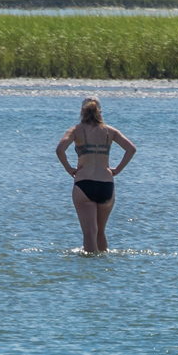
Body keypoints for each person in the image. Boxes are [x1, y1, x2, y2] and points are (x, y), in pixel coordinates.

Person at [55, 97, 136, 253]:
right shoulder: (110, 131)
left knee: (89, 233)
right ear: (99, 111)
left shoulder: (75, 130)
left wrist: (69, 168)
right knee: (100, 232)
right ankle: (102, 268)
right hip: (106, 184)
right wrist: (117, 170)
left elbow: (60, 149)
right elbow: (131, 148)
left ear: (82, 111)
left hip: (84, 183)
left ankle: (90, 270)